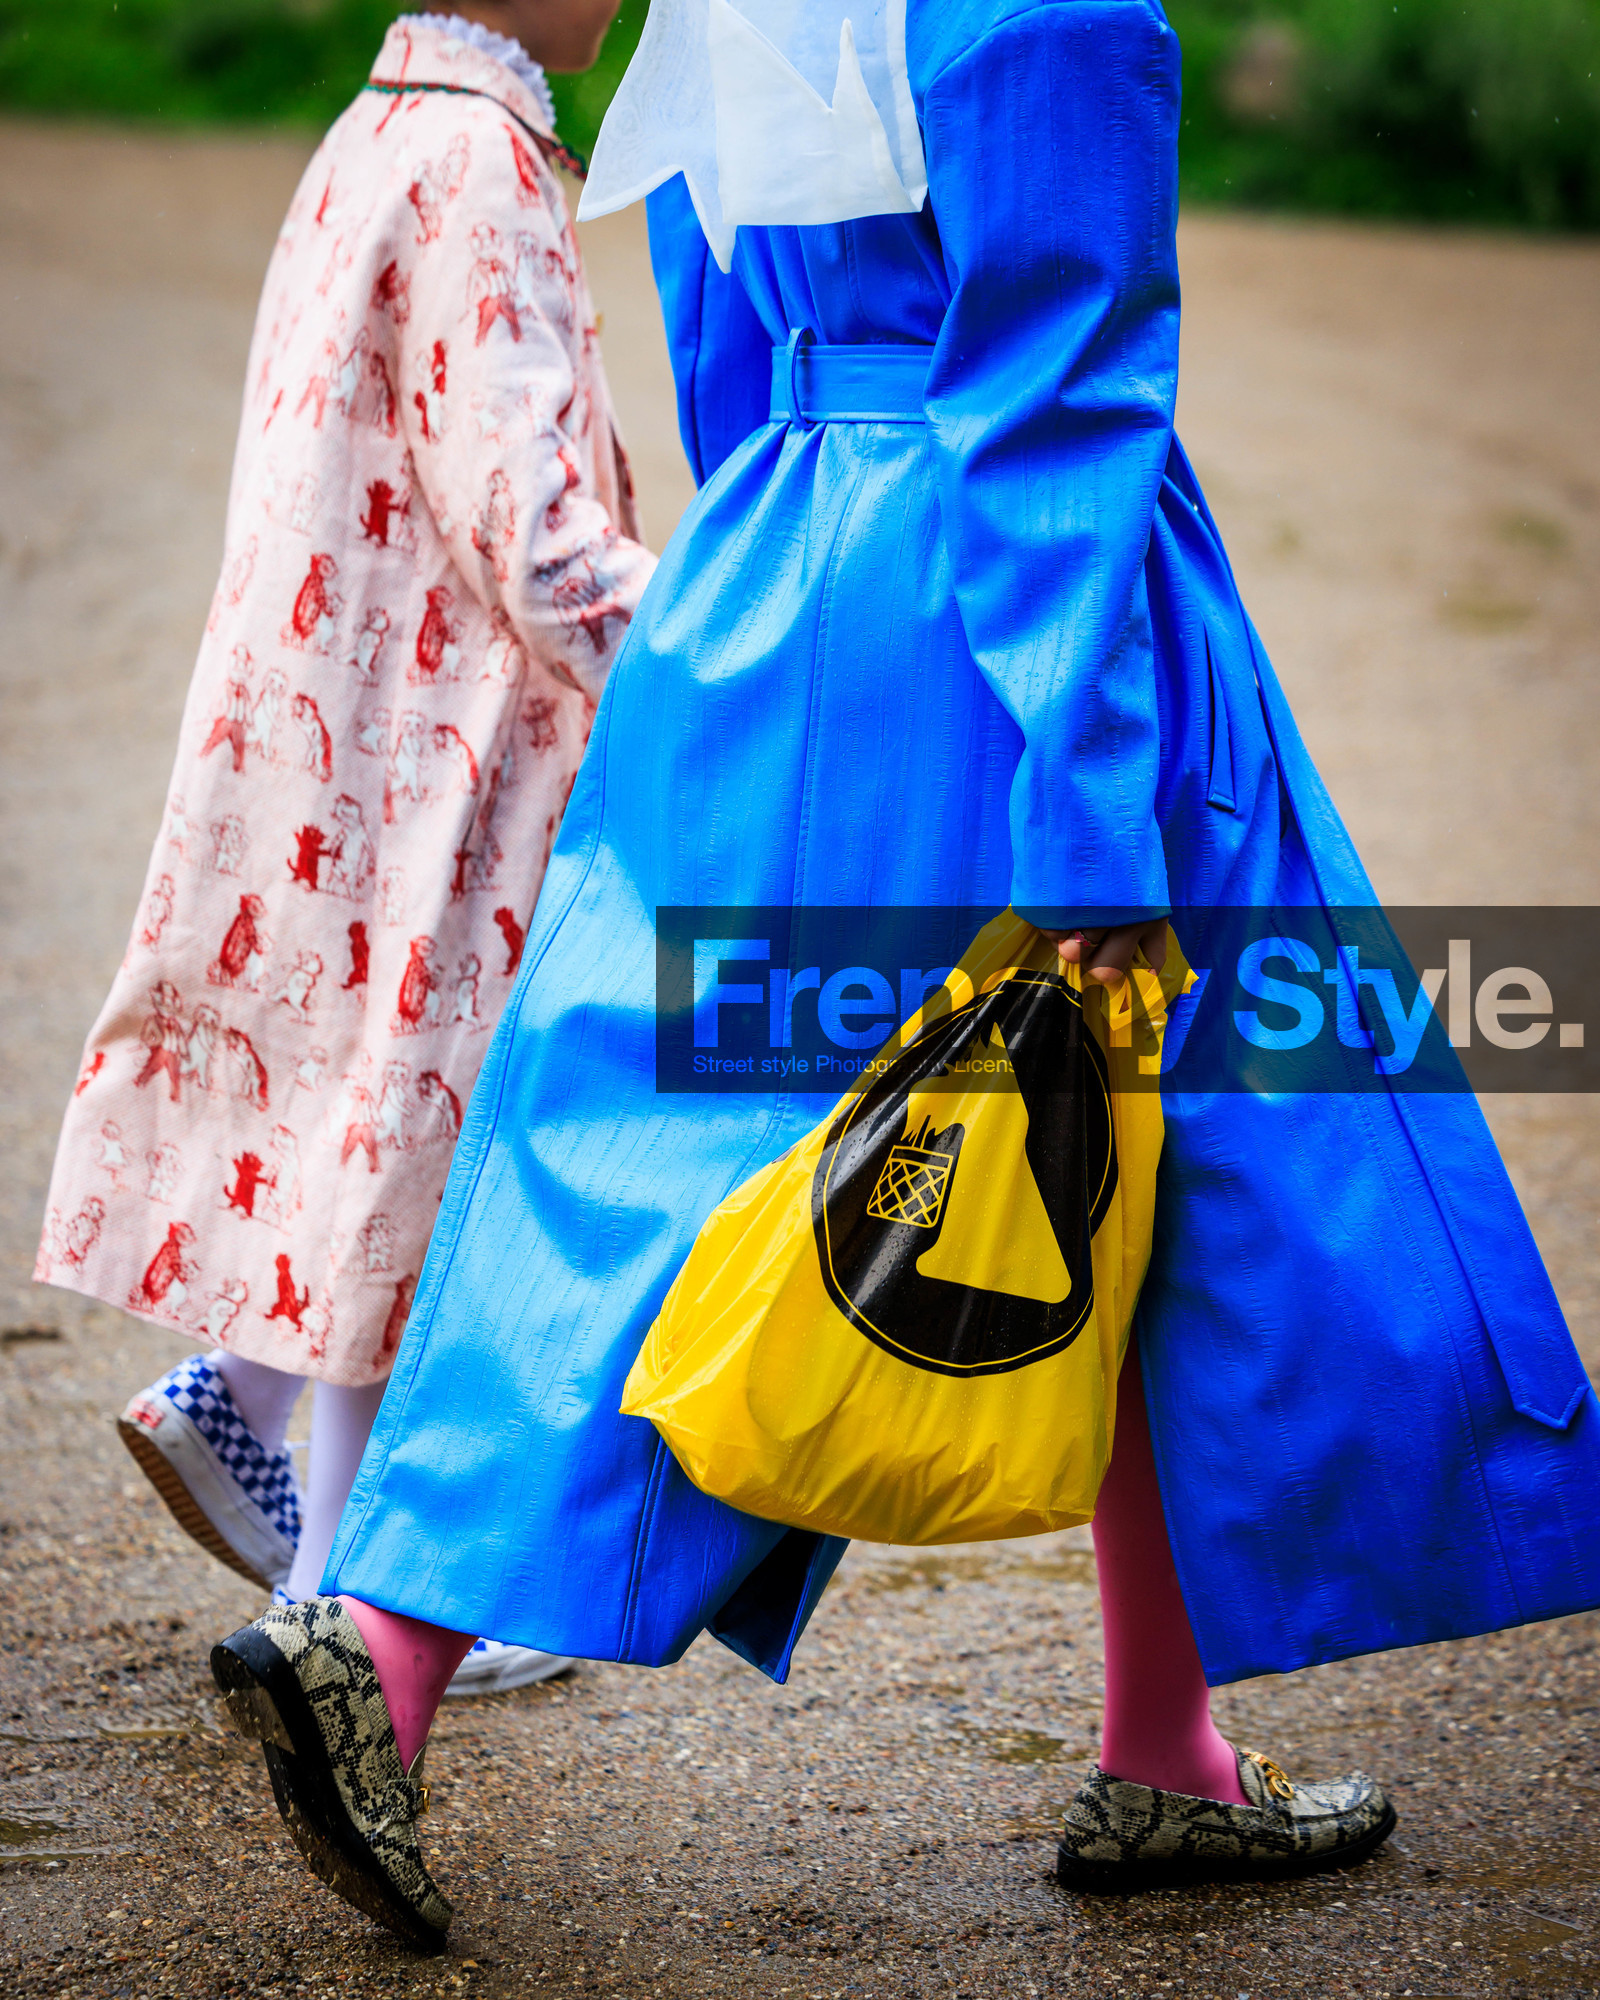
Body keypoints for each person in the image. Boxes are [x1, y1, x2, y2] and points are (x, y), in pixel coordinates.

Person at [208, 0, 1600, 1950]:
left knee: (646, 1142)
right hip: (1001, 589)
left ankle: (385, 1651)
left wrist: (781, 568)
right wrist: (1085, 793)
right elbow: (1057, 367)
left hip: (768, 561)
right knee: (1201, 1152)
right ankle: (1153, 1748)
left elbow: (713, 319)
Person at [38, 0, 651, 1697]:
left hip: (329, 710)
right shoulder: (482, 160)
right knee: (426, 1126)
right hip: (437, 742)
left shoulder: (381, 126)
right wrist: (719, 654)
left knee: (356, 1095)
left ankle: (239, 1391)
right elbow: (538, 545)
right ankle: (343, 1584)